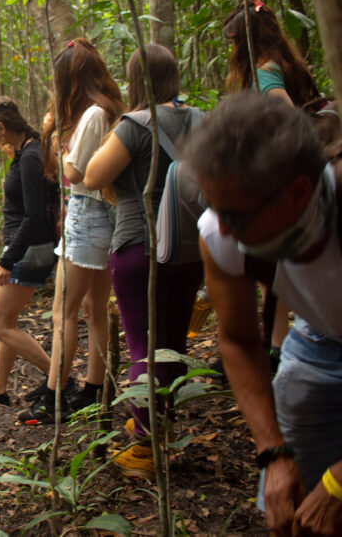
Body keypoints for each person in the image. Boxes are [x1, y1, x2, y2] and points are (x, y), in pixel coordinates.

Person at [184, 92, 342, 537]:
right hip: (320, 340)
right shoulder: (220, 232)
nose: (225, 229)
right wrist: (273, 453)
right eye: (217, 209)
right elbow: (236, 339)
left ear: (298, 192)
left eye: (236, 213)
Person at [82, 44, 204, 479]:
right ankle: (161, 428)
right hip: (191, 249)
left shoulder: (136, 124)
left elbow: (93, 175)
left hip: (139, 244)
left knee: (143, 349)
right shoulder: (200, 119)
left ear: (135, 80)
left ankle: (143, 448)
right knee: (172, 342)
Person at [20, 38, 125, 425]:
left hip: (89, 213)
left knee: (63, 311)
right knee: (93, 309)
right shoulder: (105, 111)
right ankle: (93, 391)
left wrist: (57, 139)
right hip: (99, 214)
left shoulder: (94, 116)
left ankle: (54, 396)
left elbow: (74, 173)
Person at [223, 0, 321, 370]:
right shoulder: (283, 63)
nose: (231, 50)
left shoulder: (265, 72)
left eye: (234, 42)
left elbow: (288, 117)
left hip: (277, 181)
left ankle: (277, 347)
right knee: (273, 267)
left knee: (268, 266)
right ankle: (275, 343)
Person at [0, 97, 58, 408]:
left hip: (29, 250)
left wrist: (7, 260)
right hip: (29, 247)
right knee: (9, 320)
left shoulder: (31, 156)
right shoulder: (28, 152)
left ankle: (60, 380)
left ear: (2, 128)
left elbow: (35, 216)